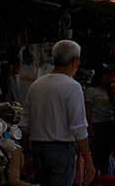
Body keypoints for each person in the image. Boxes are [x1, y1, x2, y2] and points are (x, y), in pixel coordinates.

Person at [22, 39, 94, 186]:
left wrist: (26, 154)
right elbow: (79, 127)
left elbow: (25, 124)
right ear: (75, 62)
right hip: (61, 151)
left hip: (37, 149)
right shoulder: (72, 87)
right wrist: (88, 160)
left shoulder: (36, 85)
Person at [86, 68, 115, 175]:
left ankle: (104, 171)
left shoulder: (110, 90)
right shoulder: (91, 91)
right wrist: (90, 126)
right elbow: (88, 109)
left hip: (109, 122)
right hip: (97, 123)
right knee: (97, 150)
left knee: (106, 150)